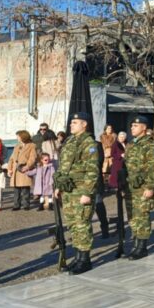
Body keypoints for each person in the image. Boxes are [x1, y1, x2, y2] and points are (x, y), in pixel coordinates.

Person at [54, 112, 100, 275]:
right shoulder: (70, 141)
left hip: (81, 190)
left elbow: (92, 171)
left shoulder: (89, 143)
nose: (71, 125)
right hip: (68, 190)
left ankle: (85, 260)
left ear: (84, 124)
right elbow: (63, 166)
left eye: (75, 122)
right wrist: (58, 186)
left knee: (82, 224)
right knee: (73, 224)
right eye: (71, 122)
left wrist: (87, 192)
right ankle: (78, 257)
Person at [123, 115, 154, 260]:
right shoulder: (131, 144)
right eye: (132, 125)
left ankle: (142, 247)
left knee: (142, 216)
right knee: (132, 217)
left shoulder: (150, 145)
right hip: (130, 187)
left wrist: (150, 187)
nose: (132, 128)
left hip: (143, 187)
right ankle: (135, 244)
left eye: (135, 126)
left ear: (144, 128)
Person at [8, 130, 37, 211]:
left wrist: (28, 166)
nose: (17, 138)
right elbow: (11, 158)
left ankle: (26, 205)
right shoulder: (17, 146)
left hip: (24, 169)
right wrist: (9, 169)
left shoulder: (32, 146)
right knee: (16, 189)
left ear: (23, 137)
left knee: (25, 189)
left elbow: (33, 157)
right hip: (15, 169)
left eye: (18, 136)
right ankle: (16, 205)